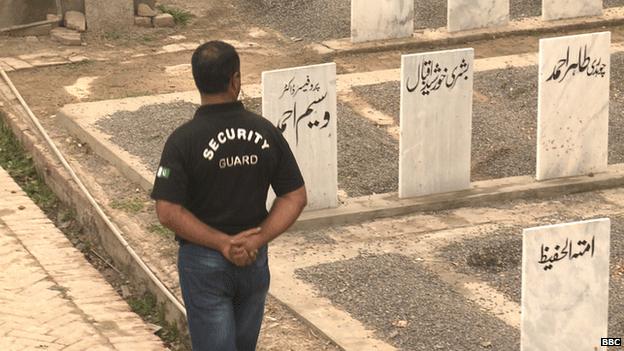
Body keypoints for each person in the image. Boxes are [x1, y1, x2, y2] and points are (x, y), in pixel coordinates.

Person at [151, 40, 307, 351]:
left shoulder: (182, 142)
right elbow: (295, 196)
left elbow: (167, 210)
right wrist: (255, 240)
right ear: (235, 80)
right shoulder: (265, 132)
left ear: (197, 81)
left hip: (203, 263)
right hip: (253, 261)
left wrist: (222, 244)